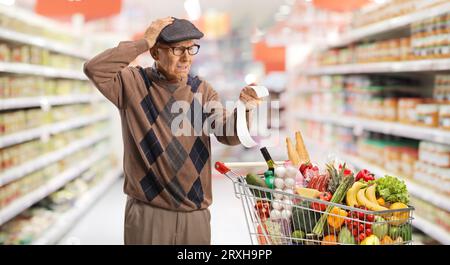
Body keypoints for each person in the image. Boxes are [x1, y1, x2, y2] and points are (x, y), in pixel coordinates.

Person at [83, 17, 261, 245]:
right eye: (178, 49)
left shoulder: (202, 90)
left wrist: (244, 109)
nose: (187, 57)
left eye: (191, 48)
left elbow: (228, 134)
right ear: (156, 52)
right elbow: (94, 69)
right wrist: (142, 43)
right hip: (148, 213)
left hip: (194, 213)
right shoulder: (132, 83)